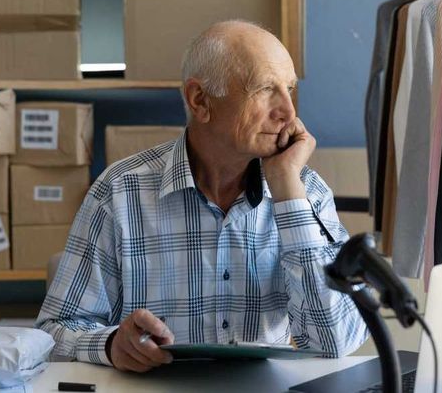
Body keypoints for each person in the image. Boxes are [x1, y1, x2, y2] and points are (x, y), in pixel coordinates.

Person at [36, 20, 367, 372]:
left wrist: (287, 189)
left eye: (288, 89)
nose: (288, 112)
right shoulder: (119, 192)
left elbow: (335, 343)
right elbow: (53, 333)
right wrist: (111, 344)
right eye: (265, 89)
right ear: (200, 100)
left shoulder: (306, 192)